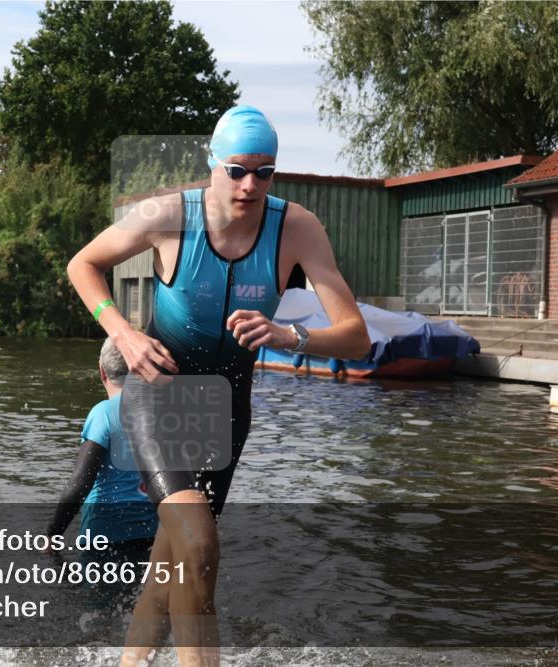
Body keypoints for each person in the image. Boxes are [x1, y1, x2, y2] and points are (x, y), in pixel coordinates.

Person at [67, 105, 370, 666]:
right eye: (236, 170)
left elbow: (356, 339)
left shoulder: (297, 228)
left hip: (227, 409)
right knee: (200, 544)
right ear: (212, 166)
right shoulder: (167, 216)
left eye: (264, 172)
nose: (250, 185)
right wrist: (125, 334)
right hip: (160, 394)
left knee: (174, 557)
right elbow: (83, 264)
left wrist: (287, 334)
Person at [45, 338, 159, 566]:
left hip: (103, 533)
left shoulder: (103, 414)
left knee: (98, 599)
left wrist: (53, 534)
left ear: (102, 372)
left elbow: (81, 482)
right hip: (153, 533)